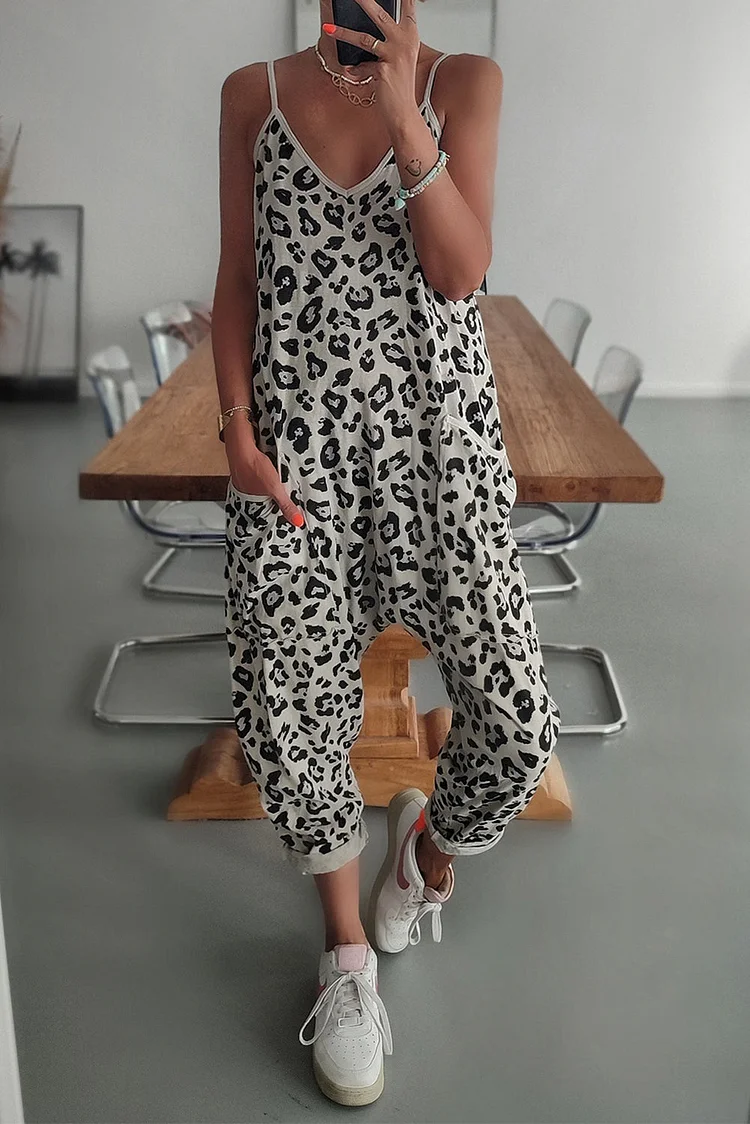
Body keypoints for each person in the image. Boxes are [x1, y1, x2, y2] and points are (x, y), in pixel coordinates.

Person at [211, 0, 561, 1106]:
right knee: (291, 719)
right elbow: (237, 279)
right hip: (298, 464)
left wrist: (407, 109)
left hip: (442, 455)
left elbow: (460, 271)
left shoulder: (466, 83)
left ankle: (427, 857)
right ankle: (347, 956)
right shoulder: (251, 95)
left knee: (517, 718)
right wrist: (236, 434)